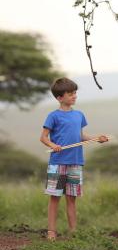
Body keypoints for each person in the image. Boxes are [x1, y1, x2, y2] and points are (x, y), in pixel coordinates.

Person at [40, 78, 108, 241]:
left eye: (75, 93)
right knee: (55, 197)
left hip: (76, 161)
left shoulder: (79, 115)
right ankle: (51, 231)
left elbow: (81, 136)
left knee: (72, 199)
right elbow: (43, 137)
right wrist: (53, 145)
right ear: (59, 98)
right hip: (58, 162)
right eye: (70, 93)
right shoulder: (53, 116)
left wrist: (96, 139)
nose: (74, 96)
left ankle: (73, 231)